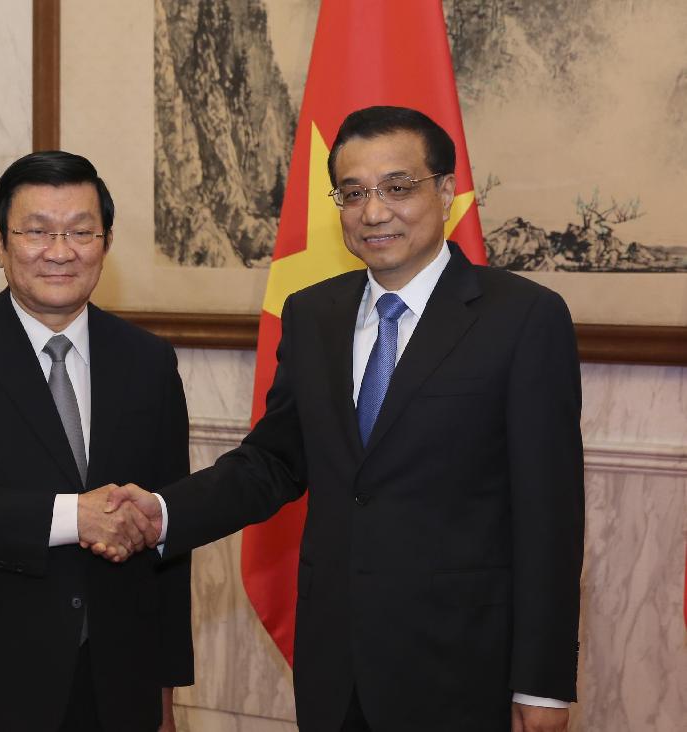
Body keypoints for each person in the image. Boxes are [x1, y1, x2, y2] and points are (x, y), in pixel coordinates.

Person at [102, 107, 584, 732]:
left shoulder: (523, 318)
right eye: (353, 193)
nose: (373, 211)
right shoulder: (313, 314)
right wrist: (163, 514)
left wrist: (543, 686)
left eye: (397, 187)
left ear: (444, 192)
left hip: (463, 668)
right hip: (336, 668)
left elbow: (550, 514)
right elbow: (274, 461)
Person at [0, 151, 193, 732]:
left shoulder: (148, 360)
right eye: (36, 231)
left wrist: (165, 693)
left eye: (81, 231)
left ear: (105, 241)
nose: (59, 251)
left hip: (119, 681)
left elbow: (166, 539)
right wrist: (73, 517)